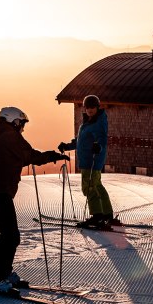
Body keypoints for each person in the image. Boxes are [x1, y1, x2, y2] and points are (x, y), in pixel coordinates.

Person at [0, 107, 68, 292]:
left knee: (10, 236)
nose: (22, 128)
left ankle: (1, 273)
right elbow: (29, 155)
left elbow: (18, 156)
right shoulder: (10, 136)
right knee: (9, 236)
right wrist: (51, 156)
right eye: (21, 123)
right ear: (14, 121)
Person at [58, 94, 117, 228]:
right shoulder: (88, 121)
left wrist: (99, 146)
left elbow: (102, 138)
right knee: (97, 186)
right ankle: (106, 214)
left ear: (97, 107)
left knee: (89, 187)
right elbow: (80, 141)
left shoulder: (97, 122)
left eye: (92, 107)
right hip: (89, 160)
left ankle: (97, 216)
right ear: (85, 108)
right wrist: (67, 146)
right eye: (87, 107)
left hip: (91, 161)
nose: (90, 110)